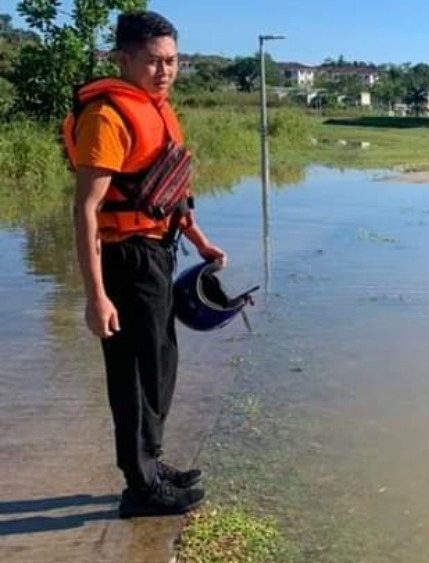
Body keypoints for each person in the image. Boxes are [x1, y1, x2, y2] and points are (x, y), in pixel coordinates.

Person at [65, 11, 226, 518]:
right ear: (124, 59)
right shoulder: (107, 116)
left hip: (158, 251)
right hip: (125, 258)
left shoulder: (157, 108)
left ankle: (151, 462)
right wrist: (96, 296)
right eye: (153, 61)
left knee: (160, 363)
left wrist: (197, 240)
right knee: (134, 372)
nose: (164, 71)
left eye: (172, 61)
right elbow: (86, 209)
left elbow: (167, 189)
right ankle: (140, 487)